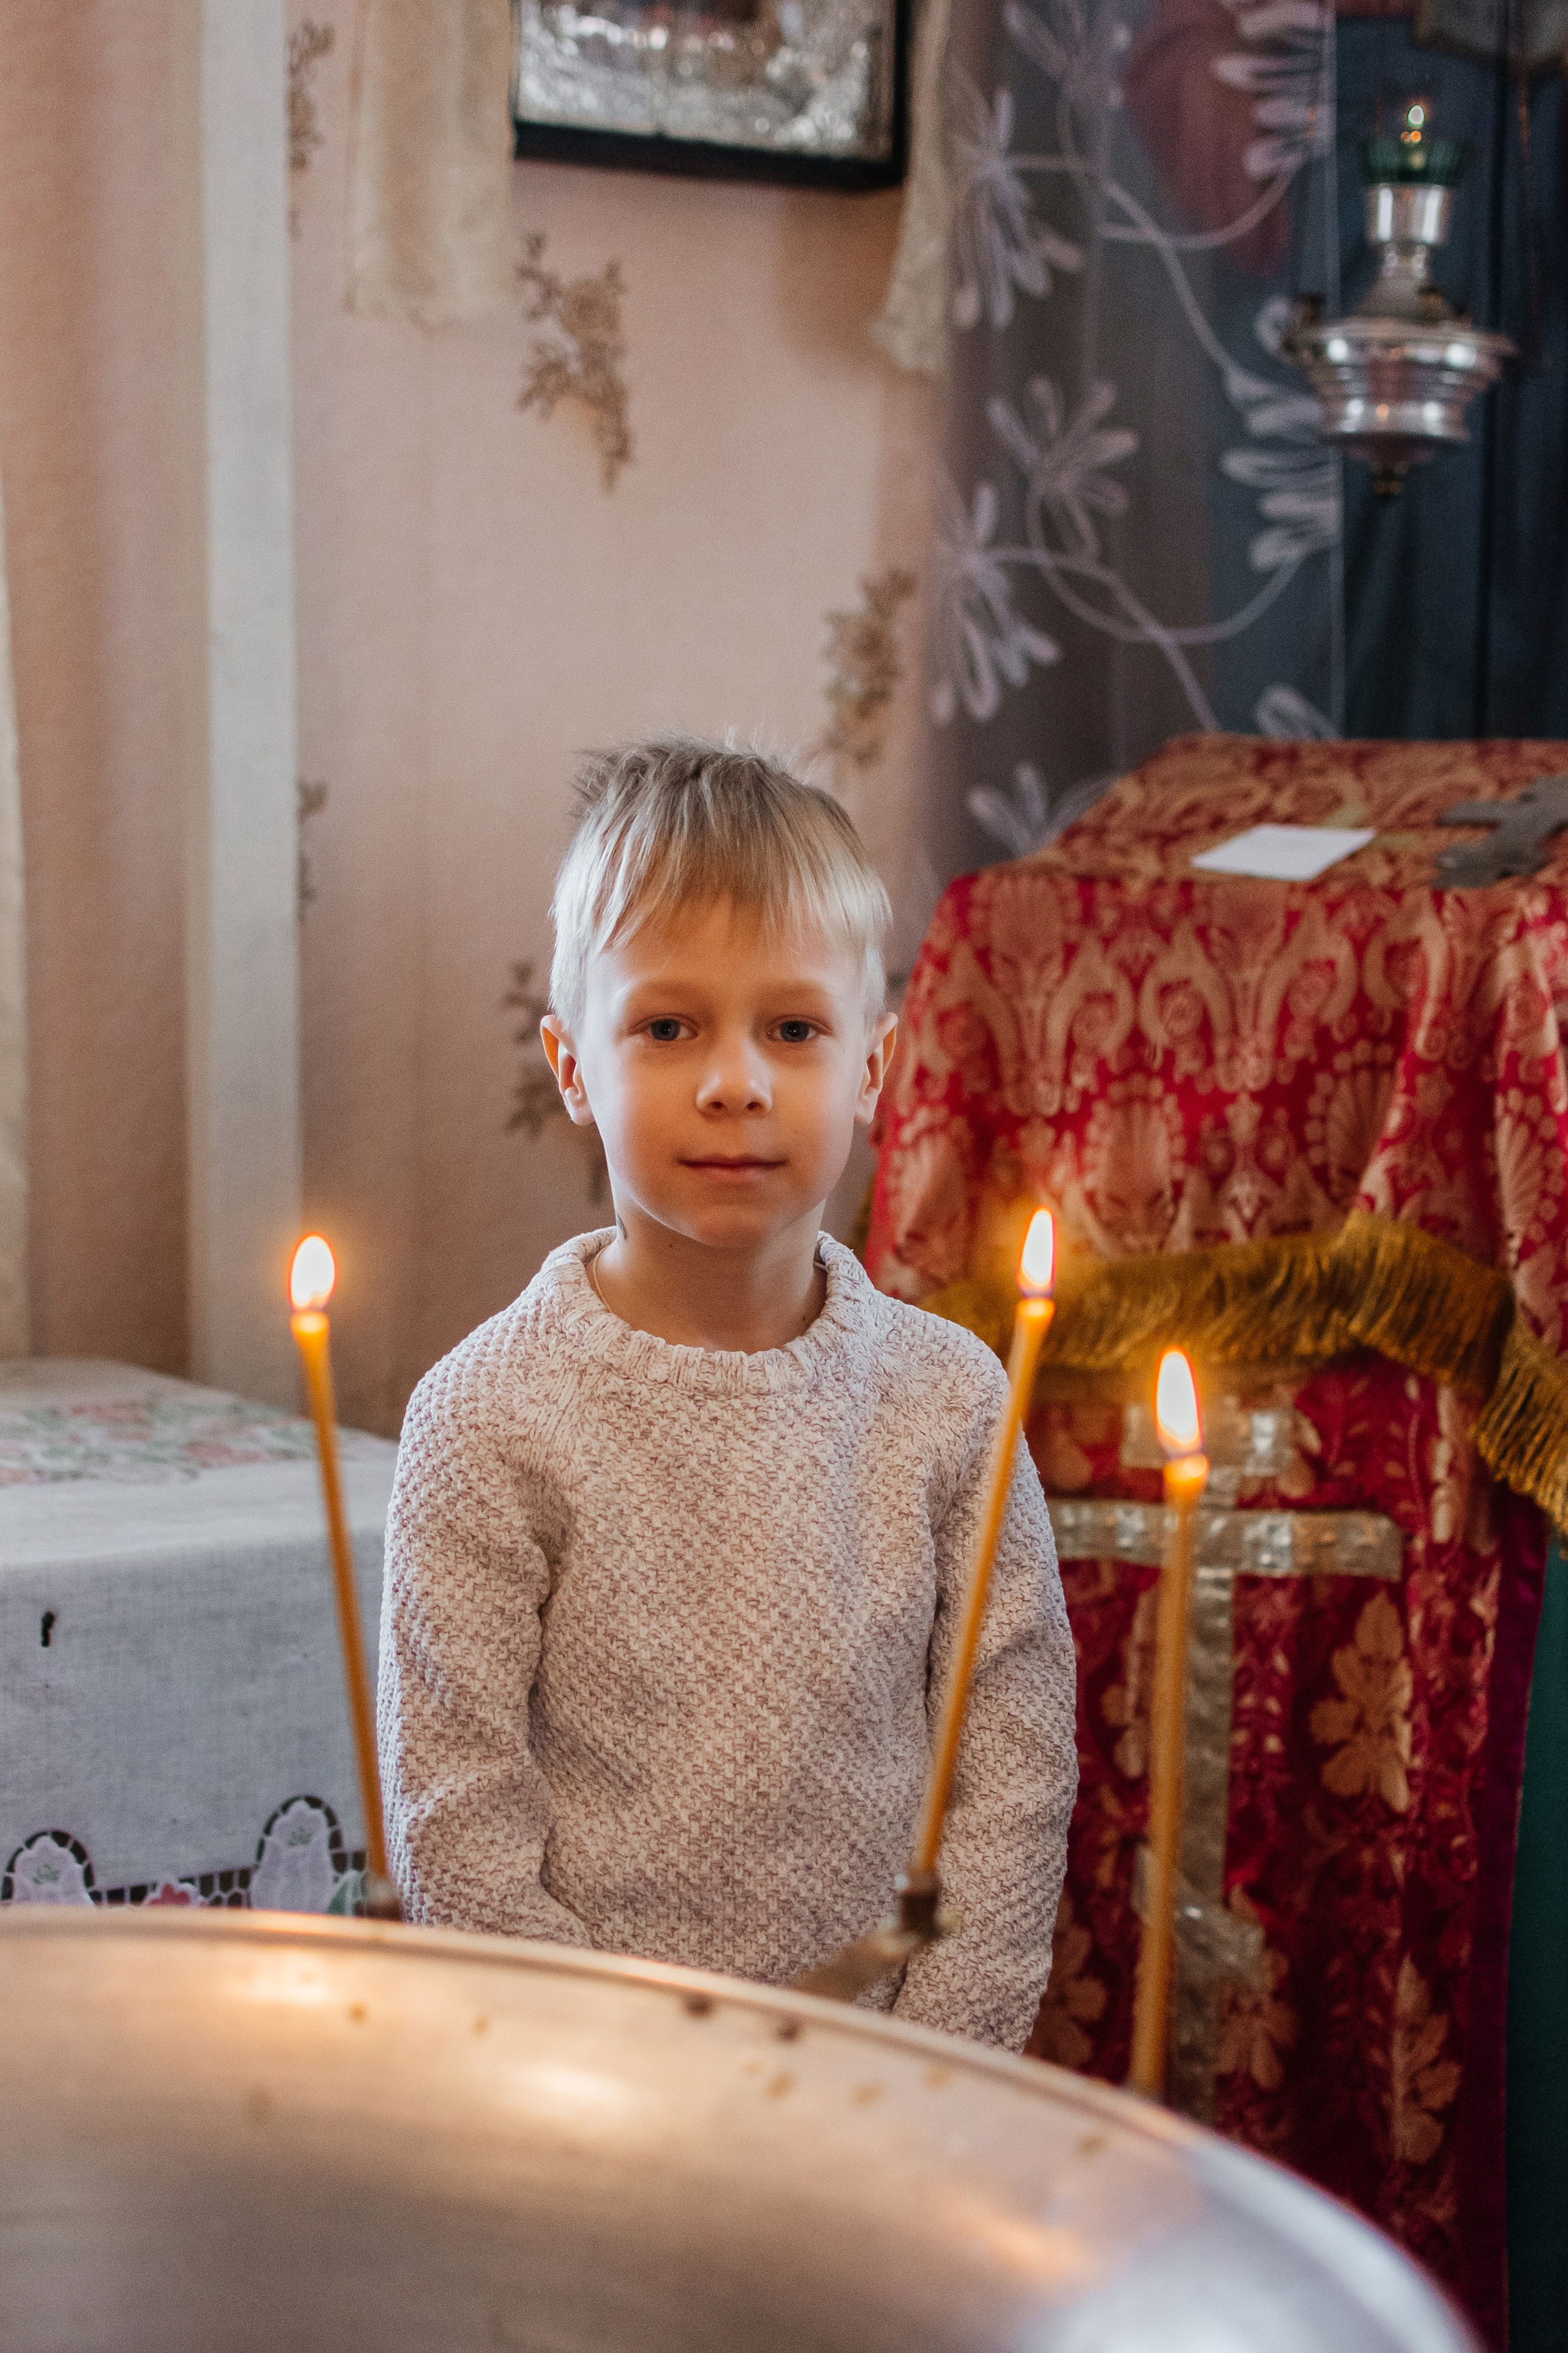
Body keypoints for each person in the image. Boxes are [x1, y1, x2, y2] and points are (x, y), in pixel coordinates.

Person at [378, 737, 1077, 2048]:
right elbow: (454, 1817)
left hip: (890, 2086)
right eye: (666, 1026)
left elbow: (1012, 1767)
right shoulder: (486, 1418)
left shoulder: (949, 1400)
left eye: (793, 1027)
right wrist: (630, 2075)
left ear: (872, 1063)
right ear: (572, 1064)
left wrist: (943, 2054)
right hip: (592, 2101)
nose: (734, 1080)